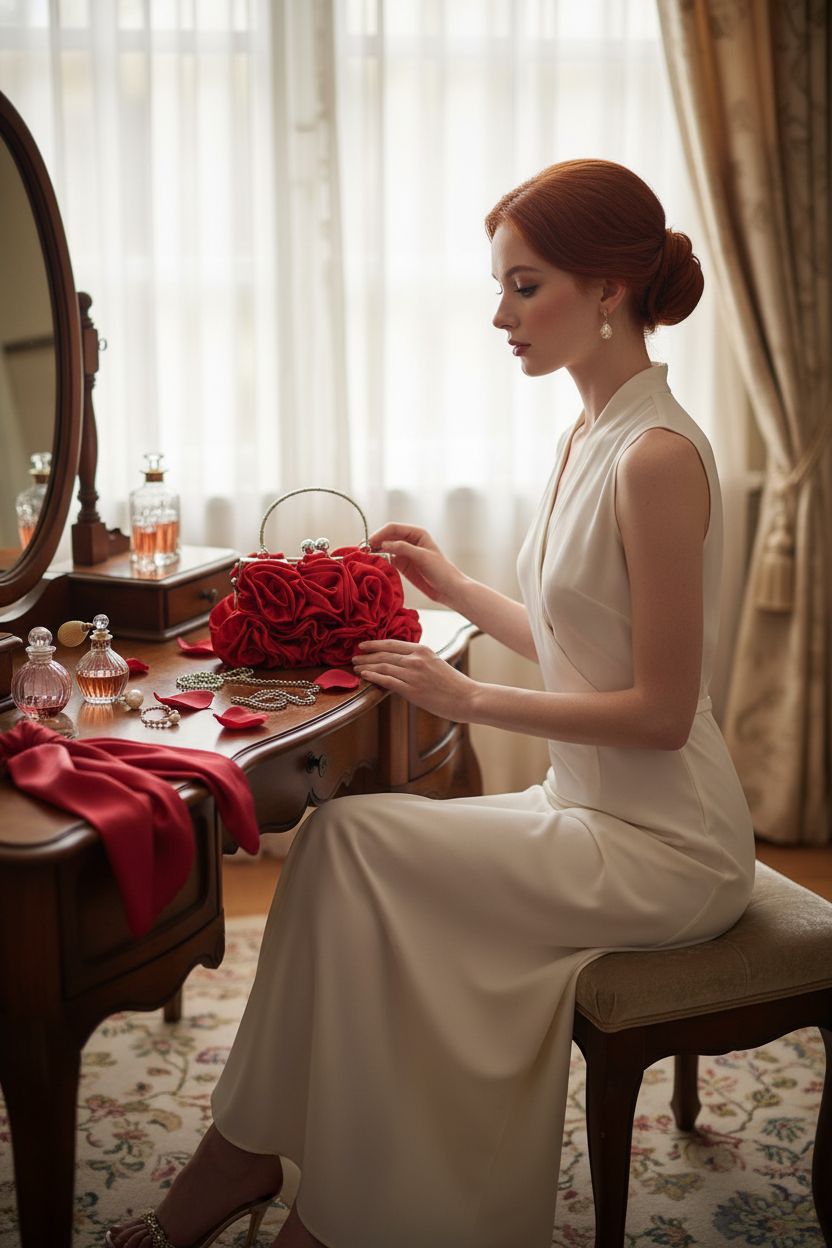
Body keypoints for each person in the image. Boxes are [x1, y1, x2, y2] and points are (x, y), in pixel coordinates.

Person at [107, 158, 755, 1248]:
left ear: (606, 288)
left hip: (668, 847)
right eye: (500, 286)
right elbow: (583, 646)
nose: (499, 314)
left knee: (357, 854)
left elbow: (657, 710)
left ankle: (309, 1193)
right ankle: (260, 1157)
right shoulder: (586, 435)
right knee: (331, 851)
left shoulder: (654, 456)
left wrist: (467, 697)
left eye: (523, 285)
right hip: (589, 814)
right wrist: (454, 591)